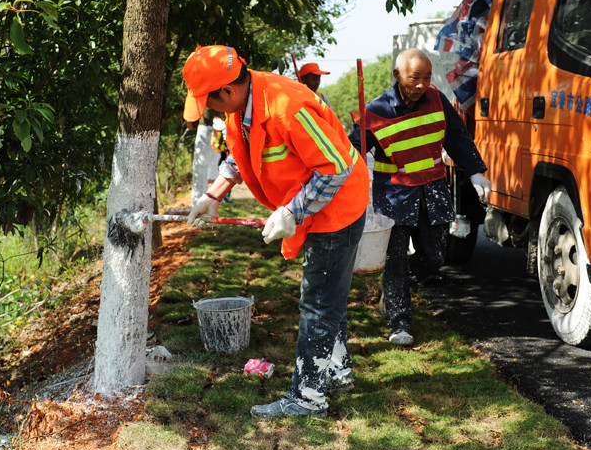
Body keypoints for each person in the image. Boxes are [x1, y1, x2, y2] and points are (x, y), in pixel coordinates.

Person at [182, 45, 369, 419]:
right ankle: (339, 369)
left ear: (228, 91)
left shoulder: (287, 106)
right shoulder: (244, 106)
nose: (212, 109)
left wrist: (291, 211)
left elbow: (334, 168)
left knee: (318, 301)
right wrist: (213, 194)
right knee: (327, 292)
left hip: (338, 206)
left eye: (210, 102)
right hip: (316, 204)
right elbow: (241, 152)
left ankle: (308, 398)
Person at [350, 48, 491, 347]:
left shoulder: (437, 100)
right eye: (415, 77)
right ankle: (399, 321)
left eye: (426, 77)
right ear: (397, 75)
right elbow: (352, 152)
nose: (421, 84)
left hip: (433, 191)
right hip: (395, 195)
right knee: (396, 259)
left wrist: (476, 172)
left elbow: (457, 138)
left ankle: (394, 287)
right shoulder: (375, 112)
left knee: (435, 257)